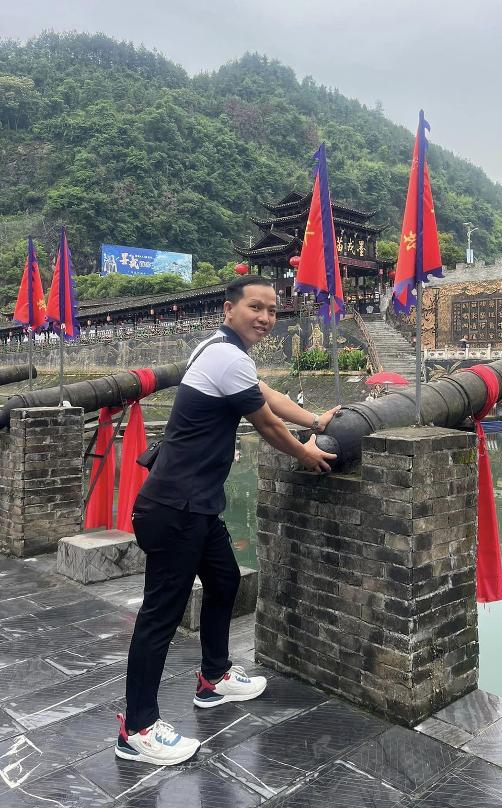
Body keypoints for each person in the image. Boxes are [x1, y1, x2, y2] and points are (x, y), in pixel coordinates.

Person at [116, 276, 339, 766]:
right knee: (160, 616)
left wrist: (316, 421)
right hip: (175, 506)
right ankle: (137, 728)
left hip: (196, 505)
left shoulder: (221, 352)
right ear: (228, 309)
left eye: (273, 310)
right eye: (256, 307)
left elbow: (267, 395)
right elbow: (267, 423)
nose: (266, 318)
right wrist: (306, 453)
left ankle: (213, 677)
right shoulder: (225, 356)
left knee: (224, 581)